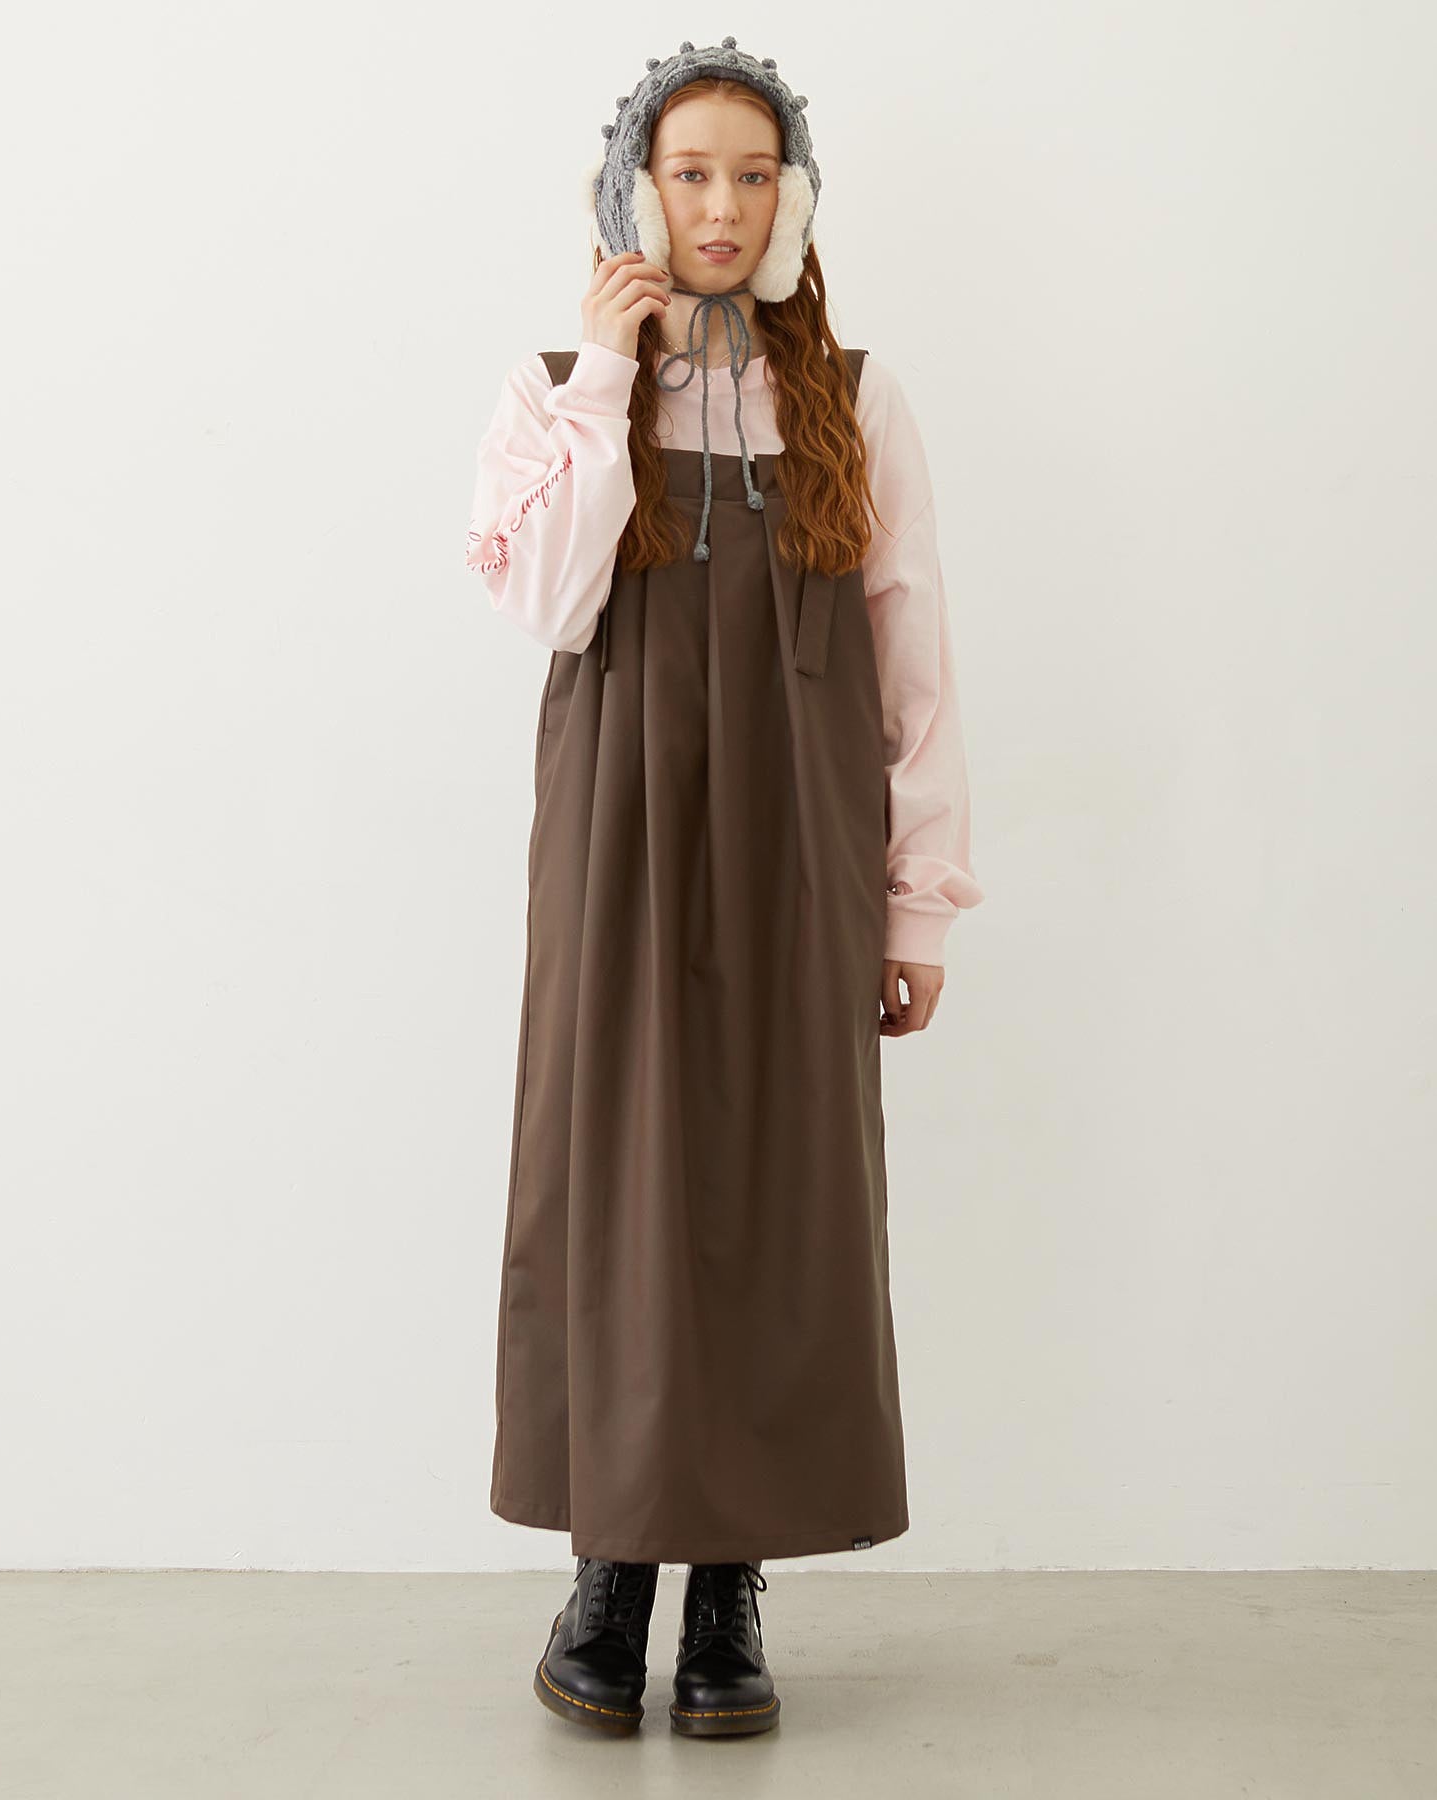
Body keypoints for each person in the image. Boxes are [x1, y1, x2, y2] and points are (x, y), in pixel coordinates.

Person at [464, 39, 985, 1739]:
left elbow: (914, 659)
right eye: (689, 171)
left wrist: (917, 900)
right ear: (636, 192)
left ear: (792, 201)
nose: (721, 205)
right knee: (617, 1176)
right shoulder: (554, 391)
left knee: (776, 1182)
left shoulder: (854, 398)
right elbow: (550, 602)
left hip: (800, 848)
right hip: (618, 834)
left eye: (753, 175)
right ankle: (611, 1567)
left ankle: (727, 1590)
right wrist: (610, 377)